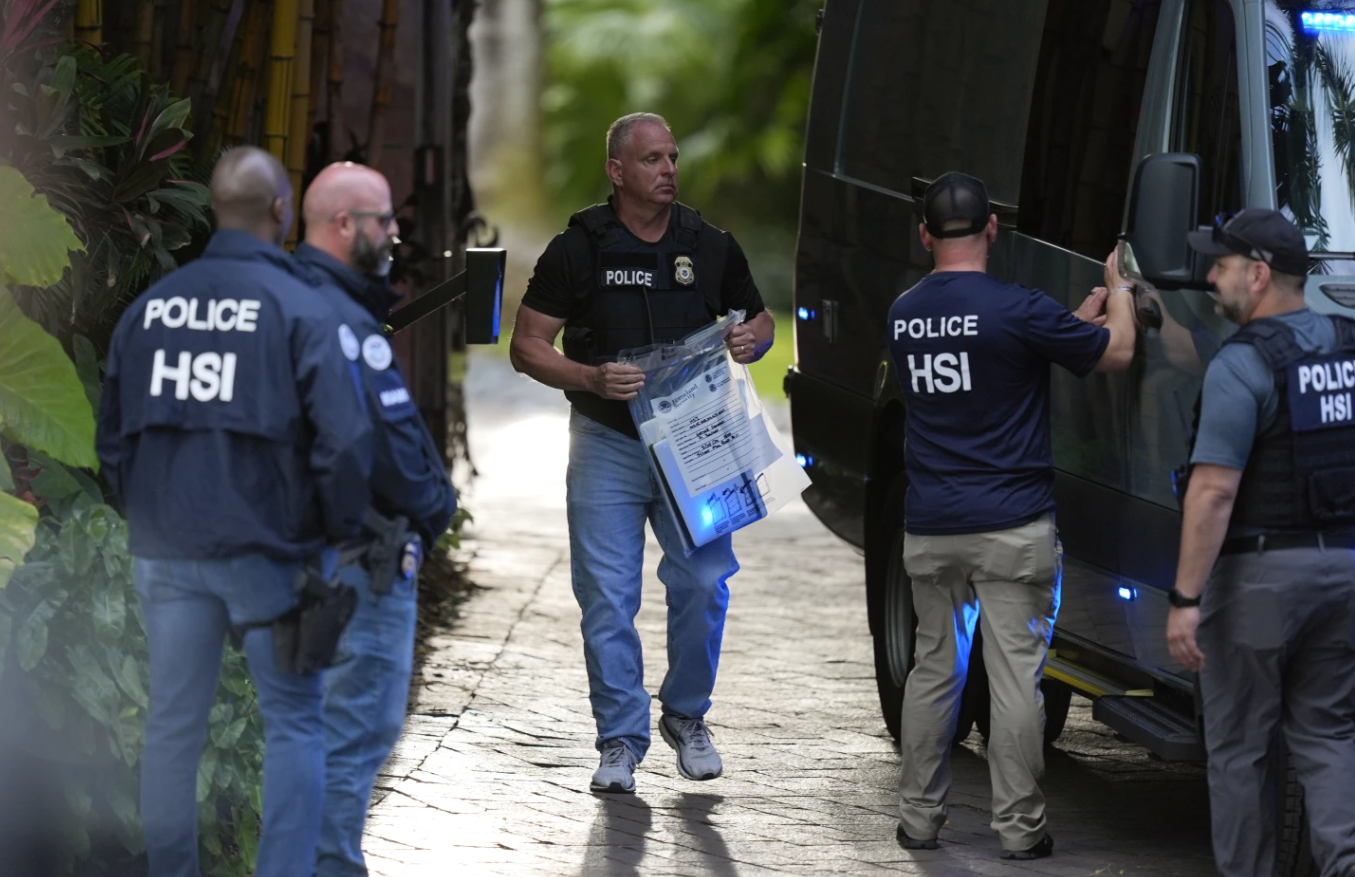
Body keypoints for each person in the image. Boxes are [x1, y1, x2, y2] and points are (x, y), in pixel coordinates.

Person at [94, 147, 373, 877]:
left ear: (214, 208)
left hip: (167, 549)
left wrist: (145, 518)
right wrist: (338, 534)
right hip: (271, 556)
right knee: (295, 721)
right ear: (281, 212)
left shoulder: (148, 311)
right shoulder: (300, 309)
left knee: (173, 725)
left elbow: (113, 437)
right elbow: (344, 442)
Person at [509, 112, 774, 794]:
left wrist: (755, 341)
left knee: (703, 583)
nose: (668, 170)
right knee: (605, 597)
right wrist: (589, 377)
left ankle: (686, 715)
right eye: (652, 159)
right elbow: (528, 344)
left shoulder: (708, 244)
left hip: (698, 443)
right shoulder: (578, 249)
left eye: (672, 157)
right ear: (617, 171)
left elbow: (760, 317)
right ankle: (619, 739)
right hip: (606, 439)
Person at [887, 172, 1136, 859]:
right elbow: (1114, 350)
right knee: (1013, 677)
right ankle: (1019, 830)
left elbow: (989, 356)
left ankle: (917, 819)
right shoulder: (1017, 307)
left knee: (934, 668)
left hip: (931, 524)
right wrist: (1116, 291)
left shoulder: (903, 313)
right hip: (1010, 524)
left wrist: (1068, 323)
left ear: (924, 234)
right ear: (992, 229)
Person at [1167, 208, 1355, 877]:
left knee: (1240, 747)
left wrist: (1184, 596)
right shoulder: (1347, 343)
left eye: (1218, 265)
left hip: (1258, 582)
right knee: (1328, 734)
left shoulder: (1241, 364)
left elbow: (1213, 492)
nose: (1209, 277)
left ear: (1257, 272)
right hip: (1344, 573)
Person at [291, 161, 458, 877]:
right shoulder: (337, 318)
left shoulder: (299, 299)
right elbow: (380, 445)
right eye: (382, 219)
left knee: (323, 725)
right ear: (341, 225)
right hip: (362, 557)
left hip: (320, 554)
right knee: (357, 726)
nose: (394, 232)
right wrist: (433, 507)